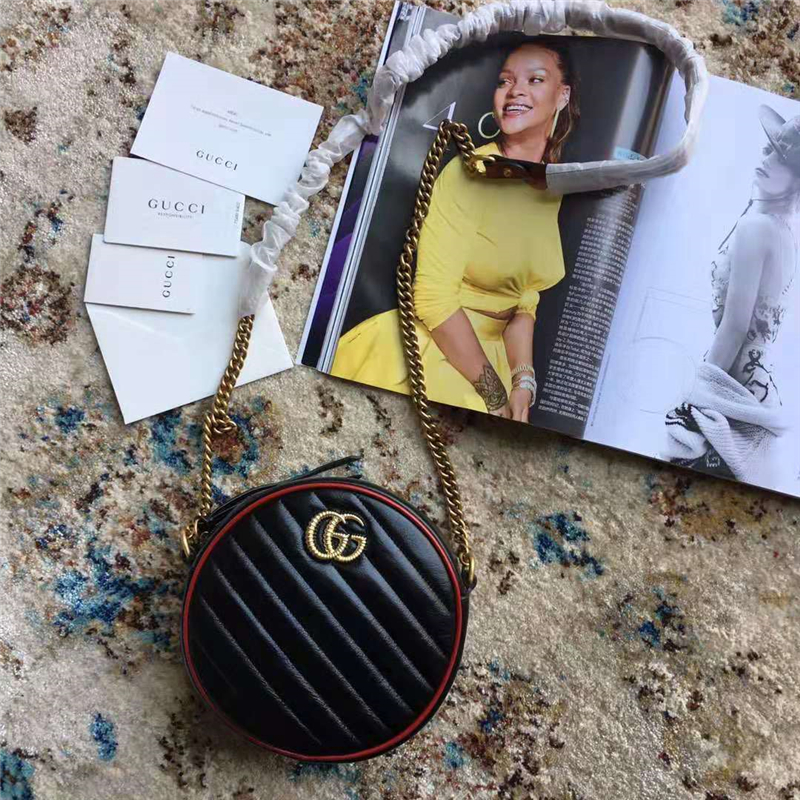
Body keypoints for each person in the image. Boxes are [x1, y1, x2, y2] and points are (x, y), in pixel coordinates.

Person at [331, 38, 579, 421]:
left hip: (493, 358)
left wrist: (523, 382)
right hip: (437, 349)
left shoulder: (552, 184)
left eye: (535, 80)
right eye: (505, 81)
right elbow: (434, 299)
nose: (515, 91)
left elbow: (523, 302)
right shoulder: (469, 174)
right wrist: (495, 397)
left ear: (562, 96)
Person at [665, 106, 800, 482]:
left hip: (729, 393)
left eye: (782, 157)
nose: (766, 159)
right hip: (757, 390)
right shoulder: (785, 233)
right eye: (768, 148)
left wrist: (695, 397)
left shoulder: (756, 227)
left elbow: (735, 326)